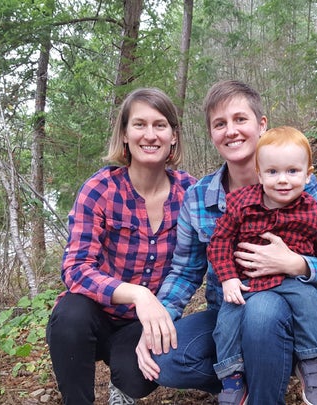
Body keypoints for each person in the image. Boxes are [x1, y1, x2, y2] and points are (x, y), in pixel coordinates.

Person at [134, 80, 317, 405]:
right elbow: (186, 272)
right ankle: (244, 379)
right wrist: (158, 321)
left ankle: (271, 384)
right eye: (220, 124)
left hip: (285, 307)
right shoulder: (199, 197)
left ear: (261, 125)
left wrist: (296, 264)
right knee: (166, 358)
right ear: (212, 134)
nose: (231, 131)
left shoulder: (300, 185)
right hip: (228, 310)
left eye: (240, 119)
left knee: (263, 311)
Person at [46, 87, 196, 405]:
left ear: (173, 136)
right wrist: (138, 294)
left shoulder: (190, 193)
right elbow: (75, 269)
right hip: (94, 315)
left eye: (160, 125)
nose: (150, 135)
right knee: (69, 318)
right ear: (125, 135)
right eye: (139, 124)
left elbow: (210, 252)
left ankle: (123, 389)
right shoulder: (100, 189)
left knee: (138, 373)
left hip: (143, 324)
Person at [208, 126, 317, 405]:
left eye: (292, 172)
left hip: (292, 281)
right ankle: (233, 378)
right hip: (247, 283)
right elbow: (219, 241)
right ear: (259, 174)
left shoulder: (312, 211)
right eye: (272, 172)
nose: (283, 180)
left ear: (308, 175)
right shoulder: (240, 203)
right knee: (226, 321)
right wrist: (228, 278)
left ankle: (311, 363)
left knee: (309, 302)